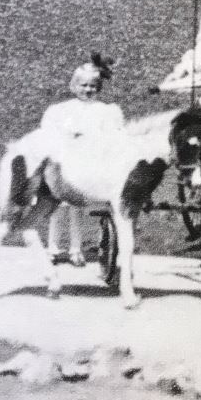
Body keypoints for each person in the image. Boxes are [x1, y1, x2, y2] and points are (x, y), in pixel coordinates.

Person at [40, 56, 124, 265]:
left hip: (89, 166)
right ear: (74, 86)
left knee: (76, 206)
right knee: (58, 206)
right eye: (83, 85)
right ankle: (53, 246)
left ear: (99, 88)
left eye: (93, 86)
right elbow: (48, 134)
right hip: (62, 164)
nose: (88, 90)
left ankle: (76, 248)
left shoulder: (105, 111)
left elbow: (113, 137)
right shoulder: (60, 110)